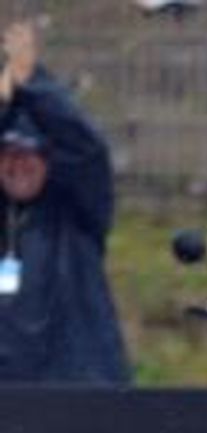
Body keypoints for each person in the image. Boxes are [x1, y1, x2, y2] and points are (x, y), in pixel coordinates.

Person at [0, 20, 130, 385]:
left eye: (30, 155)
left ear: (50, 160)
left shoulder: (77, 212)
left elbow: (85, 148)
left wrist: (32, 82)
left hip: (73, 394)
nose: (18, 165)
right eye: (8, 154)